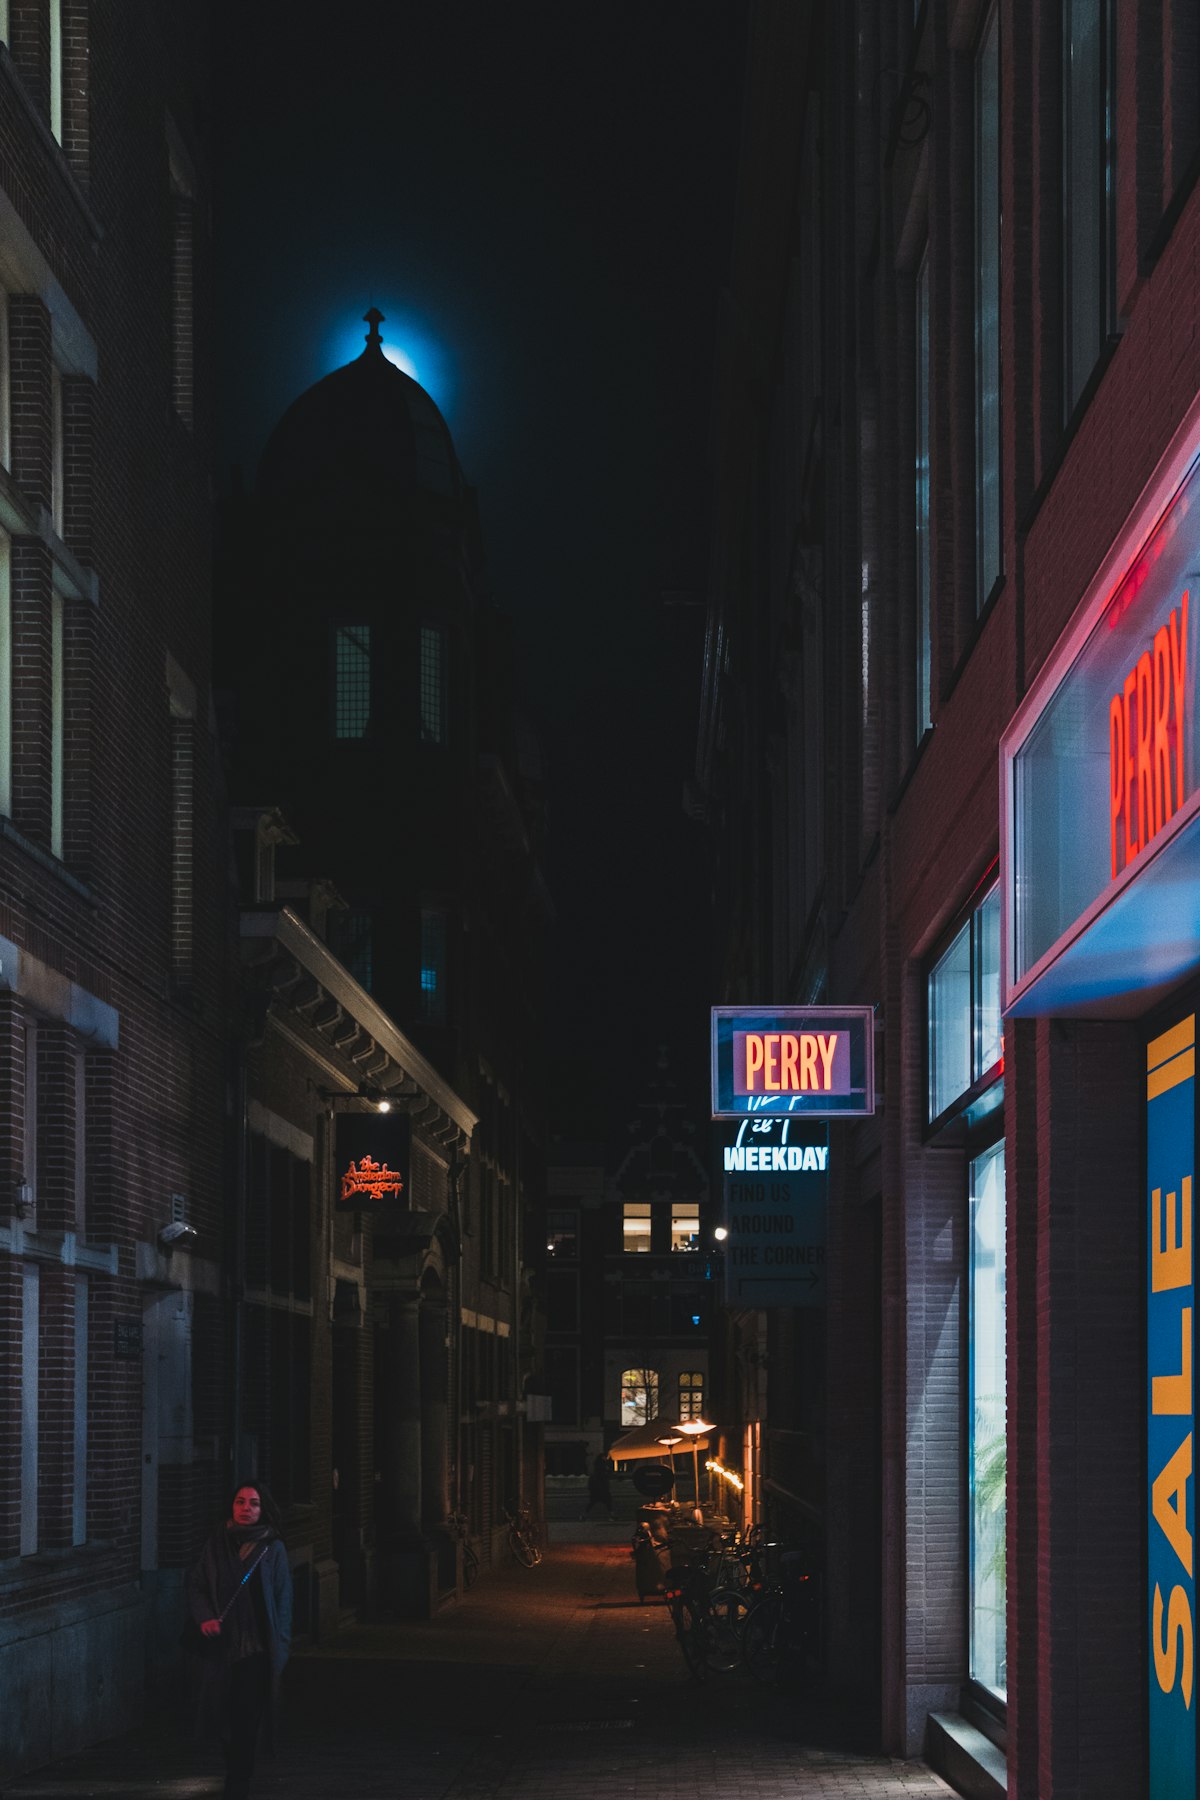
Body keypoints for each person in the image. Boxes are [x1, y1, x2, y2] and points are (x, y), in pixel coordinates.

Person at [185, 1481, 293, 1800]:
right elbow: (197, 1585)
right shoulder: (216, 1545)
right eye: (240, 1502)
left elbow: (283, 1600)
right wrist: (204, 1616)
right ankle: (235, 1768)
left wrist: (281, 1650)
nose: (246, 1509)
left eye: (254, 1503)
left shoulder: (272, 1549)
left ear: (264, 1510)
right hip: (222, 1650)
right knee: (222, 1717)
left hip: (256, 1651)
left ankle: (238, 1784)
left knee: (246, 1718)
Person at [580, 1453, 614, 1521]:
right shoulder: (602, 1466)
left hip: (596, 1488)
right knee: (608, 1502)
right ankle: (612, 1516)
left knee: (592, 1503)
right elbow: (605, 1476)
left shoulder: (598, 1466)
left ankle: (584, 1516)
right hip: (601, 1488)